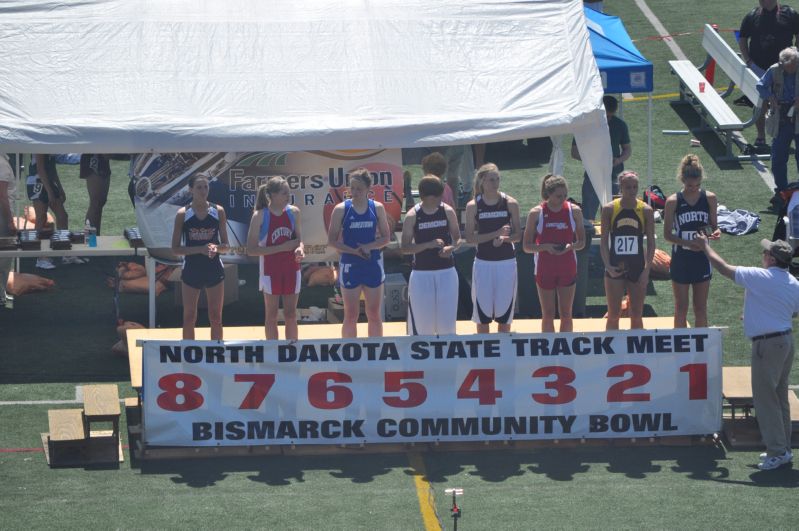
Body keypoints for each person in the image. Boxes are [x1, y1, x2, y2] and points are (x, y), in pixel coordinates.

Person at [696, 235, 799, 471]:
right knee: (780, 398)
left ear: (772, 259)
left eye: (765, 253)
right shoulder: (793, 282)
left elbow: (724, 269)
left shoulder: (760, 276)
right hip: (785, 341)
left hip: (767, 345)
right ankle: (783, 449)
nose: (762, 255)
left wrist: (705, 247)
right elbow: (793, 312)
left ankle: (776, 451)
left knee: (766, 401)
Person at [327, 168, 391, 338]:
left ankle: (375, 352)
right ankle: (350, 355)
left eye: (359, 189)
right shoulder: (341, 209)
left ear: (368, 190)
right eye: (352, 188)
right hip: (350, 264)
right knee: (351, 314)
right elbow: (332, 241)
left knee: (374, 314)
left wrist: (369, 247)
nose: (354, 192)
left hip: (372, 264)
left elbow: (386, 238)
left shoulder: (377, 208)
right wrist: (354, 251)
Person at [663, 154, 721, 328]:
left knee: (700, 308)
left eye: (697, 185)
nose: (693, 189)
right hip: (681, 258)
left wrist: (716, 233)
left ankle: (701, 348)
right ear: (682, 180)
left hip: (703, 258)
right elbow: (667, 235)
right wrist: (690, 244)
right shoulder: (673, 201)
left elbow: (714, 226)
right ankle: (680, 350)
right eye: (689, 185)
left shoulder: (710, 198)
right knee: (681, 307)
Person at [523, 175, 586, 332]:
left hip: (567, 267)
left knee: (566, 313)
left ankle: (566, 352)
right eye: (559, 196)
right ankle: (548, 353)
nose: (563, 199)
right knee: (548, 314)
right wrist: (546, 247)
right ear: (548, 194)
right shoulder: (536, 213)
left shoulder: (574, 211)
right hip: (545, 268)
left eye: (565, 195)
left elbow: (582, 242)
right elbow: (526, 246)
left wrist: (569, 247)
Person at [464, 163, 521, 333]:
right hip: (483, 263)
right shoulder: (473, 206)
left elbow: (518, 235)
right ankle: (484, 354)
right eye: (491, 179)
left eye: (497, 179)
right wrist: (495, 234)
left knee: (504, 314)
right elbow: (470, 238)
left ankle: (503, 355)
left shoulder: (510, 203)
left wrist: (505, 239)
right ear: (482, 181)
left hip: (506, 263)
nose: (495, 183)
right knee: (483, 316)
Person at [401, 175, 462, 336]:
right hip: (422, 274)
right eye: (439, 196)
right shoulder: (413, 215)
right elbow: (405, 248)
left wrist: (451, 248)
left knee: (446, 324)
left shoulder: (447, 211)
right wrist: (428, 245)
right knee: (422, 326)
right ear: (428, 197)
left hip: (446, 272)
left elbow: (458, 239)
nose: (441, 199)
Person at [171, 174, 229, 340]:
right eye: (199, 187)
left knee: (216, 317)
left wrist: (215, 248)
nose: (203, 191)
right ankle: (189, 356)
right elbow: (175, 249)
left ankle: (216, 356)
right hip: (192, 268)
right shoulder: (183, 214)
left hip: (213, 268)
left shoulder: (218, 211)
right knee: (189, 317)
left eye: (206, 187)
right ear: (191, 190)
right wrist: (200, 249)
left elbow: (226, 246)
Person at [246, 177, 304, 341]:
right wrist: (282, 248)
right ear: (272, 195)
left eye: (289, 192)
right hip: (270, 271)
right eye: (284, 193)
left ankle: (292, 350)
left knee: (291, 314)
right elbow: (251, 250)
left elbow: (299, 240)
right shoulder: (260, 215)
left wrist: (300, 249)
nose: (288, 196)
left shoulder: (294, 212)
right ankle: (273, 353)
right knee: (271, 315)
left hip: (292, 269)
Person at [739, 0, 799, 153]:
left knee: (788, 100)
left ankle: (787, 135)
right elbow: (743, 38)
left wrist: (794, 55)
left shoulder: (790, 14)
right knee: (761, 101)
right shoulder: (752, 16)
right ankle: (761, 136)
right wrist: (748, 61)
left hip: (784, 68)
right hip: (759, 67)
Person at [600, 171, 655, 330]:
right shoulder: (609, 209)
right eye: (628, 187)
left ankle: (638, 353)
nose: (632, 191)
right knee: (613, 314)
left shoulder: (645, 210)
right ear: (620, 188)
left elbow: (651, 243)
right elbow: (604, 242)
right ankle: (611, 354)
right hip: (615, 265)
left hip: (637, 266)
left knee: (637, 314)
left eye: (635, 187)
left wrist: (646, 270)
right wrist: (608, 266)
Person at [572, 95, 631, 221]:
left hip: (614, 176)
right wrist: (592, 160)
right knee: (588, 213)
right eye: (605, 116)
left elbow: (627, 150)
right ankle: (589, 237)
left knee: (614, 213)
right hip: (592, 176)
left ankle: (611, 237)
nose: (608, 119)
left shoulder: (620, 125)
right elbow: (574, 151)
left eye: (610, 116)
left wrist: (619, 160)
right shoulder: (586, 125)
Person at [757, 46, 799, 202]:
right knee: (778, 158)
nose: (790, 70)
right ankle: (781, 191)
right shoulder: (774, 69)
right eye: (787, 67)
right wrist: (770, 97)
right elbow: (760, 85)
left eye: (793, 67)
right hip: (781, 118)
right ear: (781, 64)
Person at [26, 154, 77, 269]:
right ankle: (41, 257)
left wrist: (60, 188)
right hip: (37, 181)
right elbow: (40, 168)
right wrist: (50, 192)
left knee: (62, 216)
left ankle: (64, 252)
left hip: (48, 180)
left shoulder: (51, 143)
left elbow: (52, 168)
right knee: (41, 218)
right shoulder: (39, 144)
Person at [79, 154, 111, 234]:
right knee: (95, 202)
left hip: (102, 157)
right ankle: (90, 239)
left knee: (101, 202)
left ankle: (95, 236)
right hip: (93, 156)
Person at [0, 154, 16, 307]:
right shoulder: (2, 164)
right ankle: (1, 295)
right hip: (2, 219)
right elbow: (2, 196)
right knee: (4, 260)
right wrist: (10, 221)